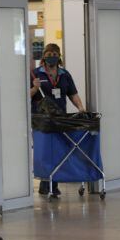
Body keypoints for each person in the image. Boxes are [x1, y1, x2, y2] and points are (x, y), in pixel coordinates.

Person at [29, 43, 85, 197]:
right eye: (49, 53)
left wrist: (80, 107)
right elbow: (24, 97)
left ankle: (53, 184)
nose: (52, 56)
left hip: (60, 119)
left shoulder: (64, 75)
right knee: (45, 152)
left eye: (55, 53)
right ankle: (45, 183)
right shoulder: (35, 74)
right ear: (44, 56)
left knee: (59, 152)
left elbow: (72, 94)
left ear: (59, 56)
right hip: (41, 122)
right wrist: (34, 88)